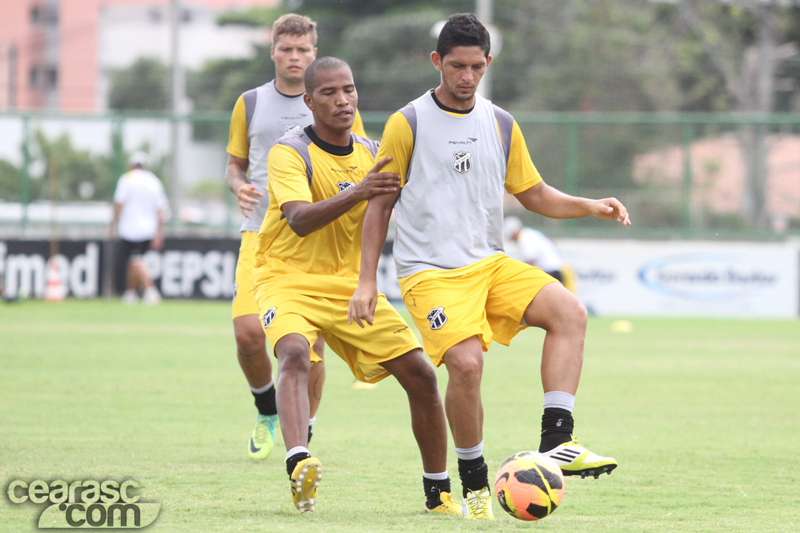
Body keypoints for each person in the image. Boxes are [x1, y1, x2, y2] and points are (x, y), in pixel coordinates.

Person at [349, 13, 630, 520]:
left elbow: (535, 193)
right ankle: (476, 483)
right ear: (437, 62)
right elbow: (379, 205)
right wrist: (367, 281)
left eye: (476, 67)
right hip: (429, 272)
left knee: (570, 312)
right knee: (466, 364)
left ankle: (556, 442)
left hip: (491, 265)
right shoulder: (406, 122)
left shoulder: (501, 123)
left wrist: (590, 204)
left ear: (487, 64)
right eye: (456, 66)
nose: (466, 77)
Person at [253, 56, 458, 515]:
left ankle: (438, 493)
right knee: (292, 354)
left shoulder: (372, 153)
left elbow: (410, 202)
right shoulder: (290, 152)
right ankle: (298, 462)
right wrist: (359, 191)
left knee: (422, 375)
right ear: (308, 101)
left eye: (348, 89)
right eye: (328, 93)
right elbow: (300, 220)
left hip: (351, 287)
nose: (342, 99)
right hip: (286, 279)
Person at [225, 14, 367, 460]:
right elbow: (235, 165)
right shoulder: (250, 103)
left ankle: (302, 429)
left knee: (312, 349)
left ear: (313, 53)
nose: (294, 57)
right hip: (263, 236)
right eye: (286, 49)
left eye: (303, 50)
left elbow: (358, 167)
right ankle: (268, 408)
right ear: (273, 52)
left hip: (321, 242)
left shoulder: (338, 99)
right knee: (248, 333)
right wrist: (239, 185)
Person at [110, 151, 168, 305]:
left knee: (136, 260)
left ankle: (151, 291)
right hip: (148, 228)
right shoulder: (153, 181)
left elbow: (118, 204)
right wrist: (159, 231)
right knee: (134, 260)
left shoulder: (126, 179)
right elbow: (160, 209)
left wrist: (113, 223)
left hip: (130, 229)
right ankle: (131, 293)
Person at [504, 216, 576, 293]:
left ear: (513, 232)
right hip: (555, 271)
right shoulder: (530, 234)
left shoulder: (524, 238)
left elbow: (531, 259)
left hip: (552, 273)